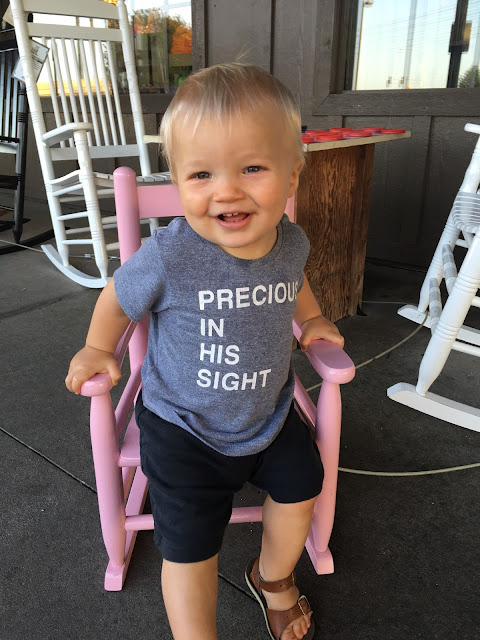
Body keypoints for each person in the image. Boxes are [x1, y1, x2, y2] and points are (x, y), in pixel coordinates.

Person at [66, 63, 344, 640]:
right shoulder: (170, 255)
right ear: (177, 181)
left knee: (302, 487)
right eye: (201, 174)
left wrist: (313, 317)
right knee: (190, 546)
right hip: (182, 427)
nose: (227, 190)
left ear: (293, 174)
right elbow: (118, 296)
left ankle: (271, 576)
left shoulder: (290, 241)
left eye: (252, 168)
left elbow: (295, 283)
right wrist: (96, 346)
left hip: (267, 415)